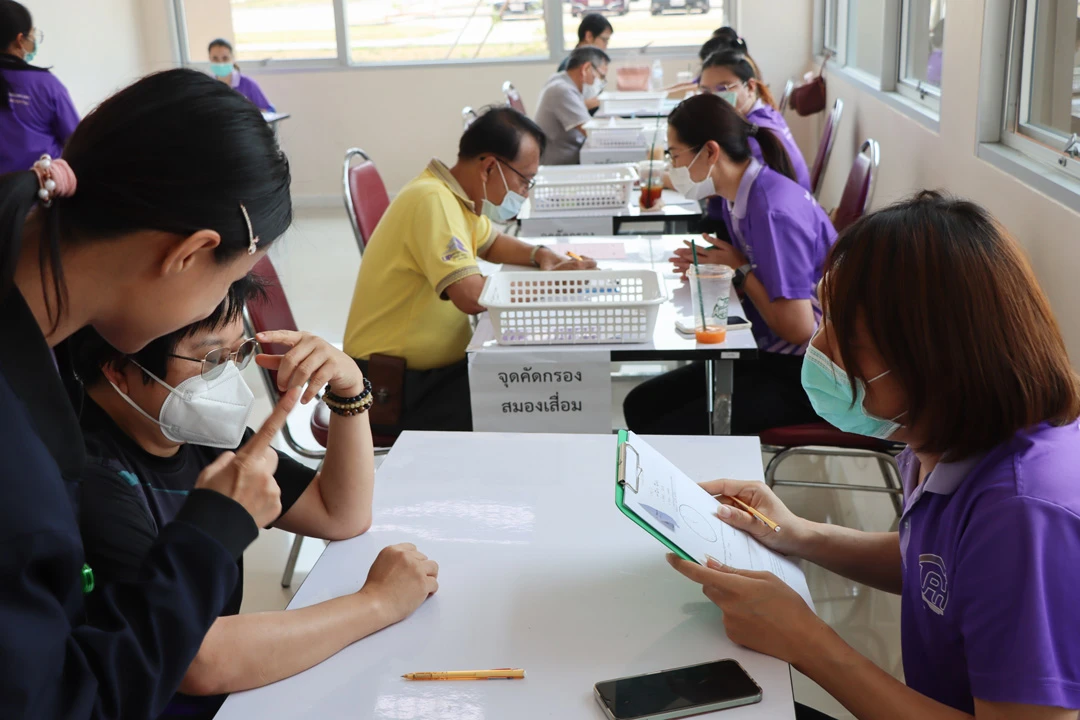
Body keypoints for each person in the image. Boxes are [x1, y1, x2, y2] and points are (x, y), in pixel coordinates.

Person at [669, 191, 1080, 720]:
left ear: (928, 356)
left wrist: (808, 642)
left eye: (843, 334)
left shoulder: (1024, 516)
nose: (819, 347)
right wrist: (798, 534)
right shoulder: (937, 437)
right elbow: (940, 566)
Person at [0, 68, 296, 718]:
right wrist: (208, 538)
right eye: (229, 285)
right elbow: (56, 701)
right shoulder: (16, 457)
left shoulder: (41, 349)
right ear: (189, 253)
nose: (223, 309)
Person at [71, 280, 438, 720]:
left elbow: (340, 513)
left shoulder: (190, 431)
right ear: (118, 368)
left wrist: (350, 391)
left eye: (236, 353)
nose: (228, 376)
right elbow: (197, 660)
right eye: (210, 359)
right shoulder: (90, 476)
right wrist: (377, 603)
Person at [342, 106, 595, 434]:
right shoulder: (433, 201)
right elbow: (472, 296)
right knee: (536, 399)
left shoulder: (455, 195)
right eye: (525, 180)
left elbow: (491, 242)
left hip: (429, 374)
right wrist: (552, 286)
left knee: (535, 385)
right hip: (392, 385)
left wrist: (541, 255)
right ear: (490, 166)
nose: (525, 193)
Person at [623, 93, 835, 436]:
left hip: (809, 375)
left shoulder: (772, 211)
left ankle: (705, 486)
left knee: (661, 426)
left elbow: (799, 329)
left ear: (710, 151)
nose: (672, 167)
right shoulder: (737, 196)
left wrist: (739, 270)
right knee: (641, 405)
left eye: (675, 155)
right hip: (768, 352)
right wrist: (717, 268)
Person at [699, 49, 811, 191]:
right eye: (706, 91)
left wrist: (664, 178)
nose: (714, 97)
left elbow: (715, 188)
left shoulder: (754, 133)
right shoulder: (764, 112)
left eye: (723, 88)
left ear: (750, 86)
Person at [0, 1, 79, 174]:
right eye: (31, 34)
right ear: (20, 40)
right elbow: (77, 141)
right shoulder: (46, 85)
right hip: (42, 192)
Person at [535, 46, 610, 165]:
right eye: (600, 76)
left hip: (570, 156)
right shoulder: (562, 90)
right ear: (586, 68)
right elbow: (591, 133)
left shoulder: (561, 80)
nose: (600, 82)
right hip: (561, 165)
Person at [208, 38, 275, 113]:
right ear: (209, 59)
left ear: (232, 59)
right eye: (215, 58)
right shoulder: (207, 85)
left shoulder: (248, 84)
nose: (220, 63)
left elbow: (268, 111)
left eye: (225, 58)